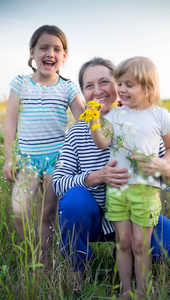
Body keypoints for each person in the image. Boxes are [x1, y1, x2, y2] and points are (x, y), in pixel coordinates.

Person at [52, 57, 170, 291]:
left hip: (136, 210)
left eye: (105, 82)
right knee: (74, 201)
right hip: (94, 218)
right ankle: (78, 269)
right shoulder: (77, 132)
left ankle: (126, 258)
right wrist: (95, 177)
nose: (97, 91)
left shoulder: (144, 119)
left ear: (119, 84)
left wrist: (165, 169)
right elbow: (58, 183)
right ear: (83, 92)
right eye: (89, 86)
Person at [89, 57, 170, 298]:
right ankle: (126, 291)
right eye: (119, 83)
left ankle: (143, 292)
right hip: (117, 190)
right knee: (124, 242)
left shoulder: (160, 116)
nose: (121, 89)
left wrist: (163, 163)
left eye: (129, 84)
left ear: (148, 87)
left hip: (144, 191)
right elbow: (102, 143)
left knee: (141, 244)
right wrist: (94, 121)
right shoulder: (114, 116)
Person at [3, 25, 85, 257]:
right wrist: (9, 159)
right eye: (43, 48)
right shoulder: (20, 83)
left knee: (48, 213)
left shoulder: (68, 87)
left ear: (64, 56)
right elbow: (10, 124)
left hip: (57, 160)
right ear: (32, 52)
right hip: (27, 160)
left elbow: (85, 120)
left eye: (57, 49)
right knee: (19, 211)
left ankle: (45, 260)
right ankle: (33, 252)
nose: (50, 53)